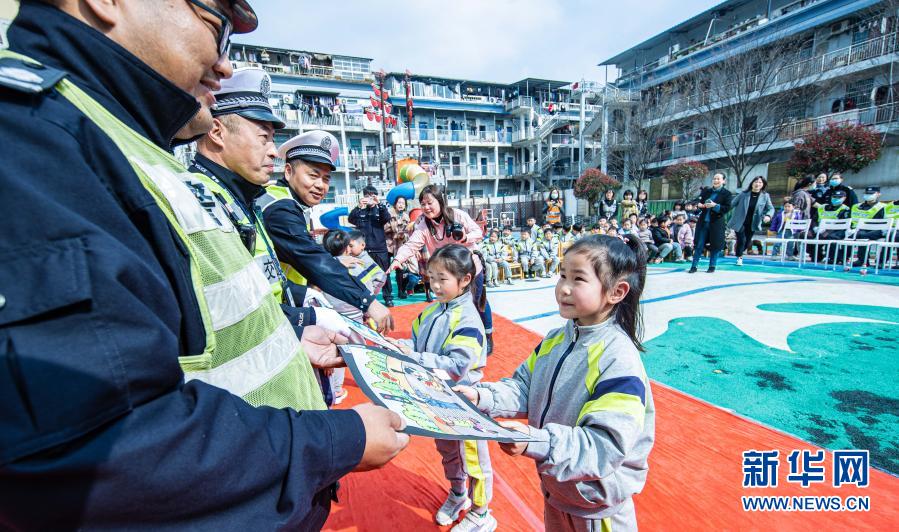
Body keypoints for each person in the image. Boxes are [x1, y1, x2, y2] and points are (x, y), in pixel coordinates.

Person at [0, 1, 407, 528]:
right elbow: (99, 445)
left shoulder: (121, 142)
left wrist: (291, 336)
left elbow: (202, 316)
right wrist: (337, 439)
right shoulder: (36, 141)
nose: (224, 65)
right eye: (214, 24)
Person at [455, 235, 655, 532]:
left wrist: (535, 441)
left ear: (616, 292)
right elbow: (523, 388)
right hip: (558, 493)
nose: (564, 288)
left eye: (578, 279)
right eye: (562, 274)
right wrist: (480, 396)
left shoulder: (618, 361)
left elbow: (604, 445)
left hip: (597, 512)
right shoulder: (555, 341)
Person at [188, 66, 354, 404]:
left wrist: (307, 310)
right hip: (243, 394)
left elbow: (265, 279)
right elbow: (229, 307)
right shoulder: (199, 202)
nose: (273, 151)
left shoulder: (239, 199)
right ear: (217, 132)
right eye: (263, 137)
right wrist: (309, 317)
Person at [390, 245, 494, 531]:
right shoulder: (431, 311)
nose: (434, 284)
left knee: (472, 457)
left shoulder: (469, 320)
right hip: (436, 397)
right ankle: (458, 494)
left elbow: (457, 365)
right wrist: (400, 347)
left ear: (465, 280)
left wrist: (412, 356)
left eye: (442, 279)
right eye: (431, 277)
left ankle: (482, 511)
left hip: (463, 400)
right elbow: (415, 341)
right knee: (448, 451)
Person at [257, 131, 394, 332]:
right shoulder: (280, 208)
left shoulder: (288, 202)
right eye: (313, 175)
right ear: (288, 171)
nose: (320, 185)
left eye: (326, 178)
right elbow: (311, 258)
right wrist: (368, 301)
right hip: (272, 315)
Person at [390, 185, 494, 353]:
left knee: (477, 302)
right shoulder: (424, 225)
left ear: (440, 201)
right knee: (451, 305)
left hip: (470, 269)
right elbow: (411, 244)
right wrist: (397, 259)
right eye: (422, 204)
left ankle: (487, 335)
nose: (426, 207)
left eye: (429, 202)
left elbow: (478, 232)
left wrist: (465, 237)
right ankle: (454, 336)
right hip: (446, 275)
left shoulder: (457, 215)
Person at [321, 229, 387, 404]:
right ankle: (371, 381)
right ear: (347, 249)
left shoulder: (320, 266)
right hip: (354, 315)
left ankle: (335, 390)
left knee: (336, 352)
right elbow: (376, 281)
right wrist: (369, 306)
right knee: (359, 348)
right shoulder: (356, 264)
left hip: (328, 317)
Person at [350, 185, 395, 306]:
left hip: (380, 248)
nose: (369, 198)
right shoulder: (361, 210)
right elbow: (351, 219)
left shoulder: (380, 209)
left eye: (372, 196)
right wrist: (359, 206)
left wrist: (379, 204)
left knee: (385, 274)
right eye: (366, 196)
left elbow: (387, 217)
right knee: (362, 274)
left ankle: (388, 297)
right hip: (363, 249)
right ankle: (366, 297)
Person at [689, 173, 734, 273]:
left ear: (723, 181)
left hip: (716, 223)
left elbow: (727, 208)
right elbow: (697, 201)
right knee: (699, 244)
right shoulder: (706, 191)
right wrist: (699, 205)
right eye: (714, 178)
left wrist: (715, 205)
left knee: (715, 245)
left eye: (718, 179)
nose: (716, 180)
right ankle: (694, 266)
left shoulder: (727, 193)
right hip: (703, 222)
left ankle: (712, 266)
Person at [727, 176, 774, 266]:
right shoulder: (743, 194)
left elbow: (771, 208)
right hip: (740, 221)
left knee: (747, 241)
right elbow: (732, 204)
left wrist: (768, 216)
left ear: (763, 185)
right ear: (752, 183)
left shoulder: (765, 196)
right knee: (742, 239)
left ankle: (739, 252)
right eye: (755, 182)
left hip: (753, 223)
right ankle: (739, 258)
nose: (757, 184)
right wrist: (721, 210)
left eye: (760, 182)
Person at [849, 187, 888, 267]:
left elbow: (882, 221)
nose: (868, 195)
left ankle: (877, 262)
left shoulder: (883, 207)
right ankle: (862, 260)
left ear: (878, 194)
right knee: (857, 234)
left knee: (862, 235)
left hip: (878, 229)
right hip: (861, 228)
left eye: (871, 194)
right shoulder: (856, 206)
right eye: (867, 193)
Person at [385, 195, 414, 299]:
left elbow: (408, 232)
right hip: (388, 244)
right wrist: (395, 226)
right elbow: (383, 228)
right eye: (399, 203)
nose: (401, 205)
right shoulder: (388, 214)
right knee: (386, 269)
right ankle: (388, 294)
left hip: (400, 245)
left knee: (400, 269)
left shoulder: (406, 217)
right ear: (395, 204)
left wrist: (403, 235)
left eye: (403, 203)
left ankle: (401, 291)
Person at [814, 189, 851, 263]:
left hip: (838, 230)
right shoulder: (822, 207)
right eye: (834, 197)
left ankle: (833, 258)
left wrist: (826, 231)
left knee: (830, 236)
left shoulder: (845, 209)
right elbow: (814, 219)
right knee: (806, 235)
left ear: (844, 198)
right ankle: (817, 257)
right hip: (821, 229)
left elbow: (842, 224)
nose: (836, 199)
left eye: (838, 197)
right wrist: (815, 227)